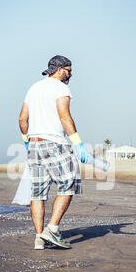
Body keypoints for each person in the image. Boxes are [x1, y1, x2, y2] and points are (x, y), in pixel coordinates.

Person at [18, 55, 91, 250]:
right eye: (68, 70)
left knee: (38, 193)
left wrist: (27, 141)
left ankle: (39, 238)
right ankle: (52, 228)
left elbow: (22, 119)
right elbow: (64, 116)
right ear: (59, 70)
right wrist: (78, 144)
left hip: (34, 144)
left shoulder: (34, 88)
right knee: (69, 184)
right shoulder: (61, 88)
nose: (70, 74)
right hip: (55, 142)